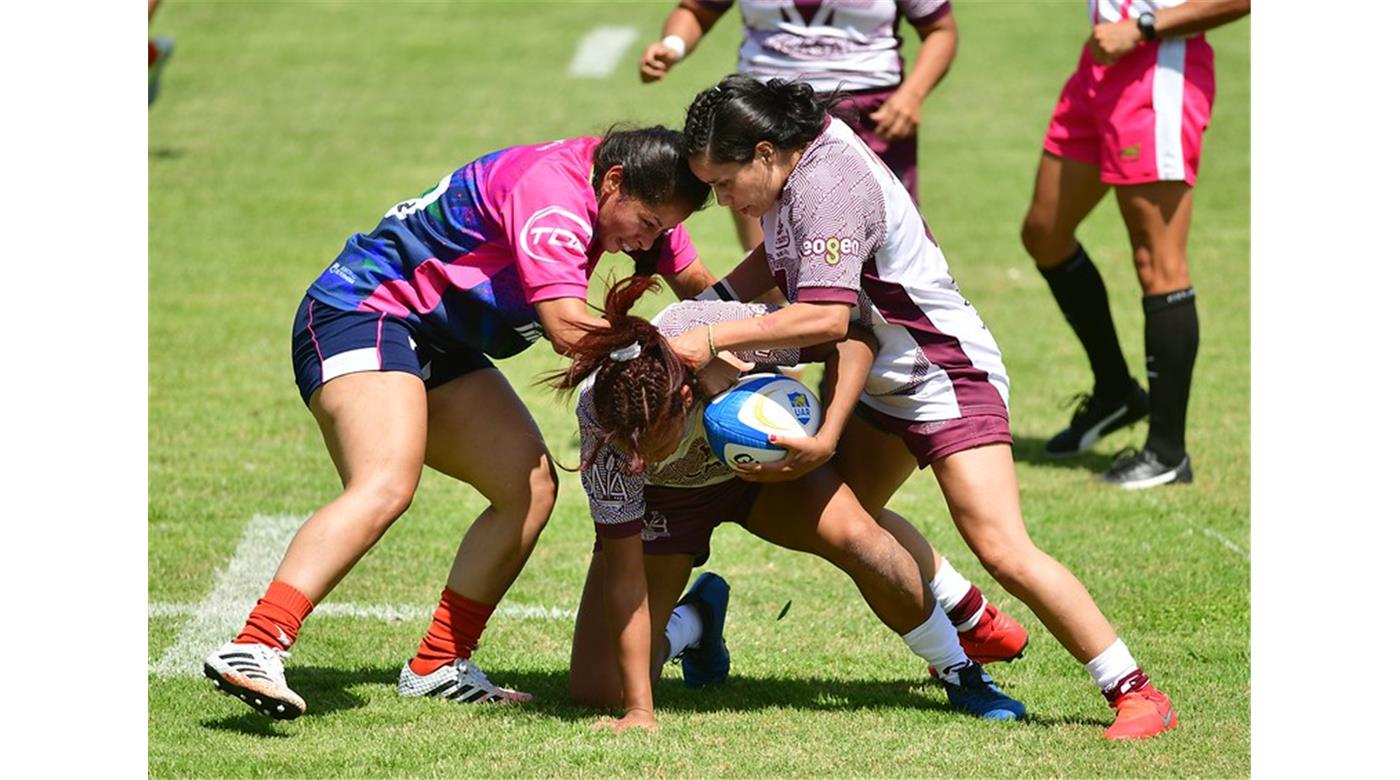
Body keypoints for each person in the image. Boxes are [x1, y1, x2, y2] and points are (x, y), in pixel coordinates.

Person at [673, 75, 1177, 740]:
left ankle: (1136, 692)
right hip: (878, 374)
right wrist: (711, 304)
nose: (720, 198)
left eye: (722, 182)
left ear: (765, 153)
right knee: (847, 517)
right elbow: (782, 253)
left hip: (942, 374)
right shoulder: (794, 167)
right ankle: (970, 617)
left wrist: (708, 333)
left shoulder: (828, 184)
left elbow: (824, 318)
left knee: (1002, 545)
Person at [201, 127, 719, 721]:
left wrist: (763, 339)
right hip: (363, 310)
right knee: (385, 483)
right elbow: (568, 329)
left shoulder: (639, 194)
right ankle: (257, 644)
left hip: (435, 339)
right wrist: (666, 365)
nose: (645, 241)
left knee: (526, 488)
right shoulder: (551, 194)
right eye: (647, 223)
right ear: (613, 182)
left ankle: (438, 664)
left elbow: (704, 290)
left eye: (659, 230)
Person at [551, 275, 1024, 733]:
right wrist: (638, 711)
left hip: (769, 476)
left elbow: (851, 341)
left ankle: (958, 670)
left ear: (685, 395)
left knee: (862, 540)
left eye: (647, 444)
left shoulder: (715, 330)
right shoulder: (603, 422)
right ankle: (695, 620)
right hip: (668, 502)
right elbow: (626, 580)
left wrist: (825, 439)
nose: (632, 461)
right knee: (601, 688)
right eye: (624, 447)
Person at [1019, 0, 1251, 488]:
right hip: (1100, 66)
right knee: (1044, 232)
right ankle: (1115, 392)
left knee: (1158, 261)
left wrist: (1145, 27)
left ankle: (1168, 452)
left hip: (1157, 66)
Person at [638, 0, 958, 251]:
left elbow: (940, 29)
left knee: (882, 255)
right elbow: (696, 10)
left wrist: (912, 95)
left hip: (872, 115)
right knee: (773, 264)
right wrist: (673, 45)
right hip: (763, 117)